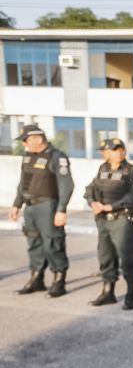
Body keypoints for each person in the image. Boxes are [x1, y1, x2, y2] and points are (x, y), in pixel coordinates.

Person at [10, 124, 74, 297]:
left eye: (26, 140)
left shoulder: (56, 157)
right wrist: (17, 204)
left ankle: (59, 281)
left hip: (48, 206)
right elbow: (23, 183)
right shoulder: (27, 156)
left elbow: (66, 185)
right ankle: (37, 279)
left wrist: (61, 210)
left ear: (38, 138)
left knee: (53, 243)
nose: (25, 144)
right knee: (34, 244)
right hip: (30, 208)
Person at [84, 138, 133, 310]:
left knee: (127, 259)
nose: (118, 152)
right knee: (105, 257)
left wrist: (111, 206)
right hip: (103, 221)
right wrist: (92, 202)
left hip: (122, 220)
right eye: (114, 149)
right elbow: (90, 189)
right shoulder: (102, 169)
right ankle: (108, 292)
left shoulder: (132, 171)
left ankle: (131, 294)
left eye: (120, 149)